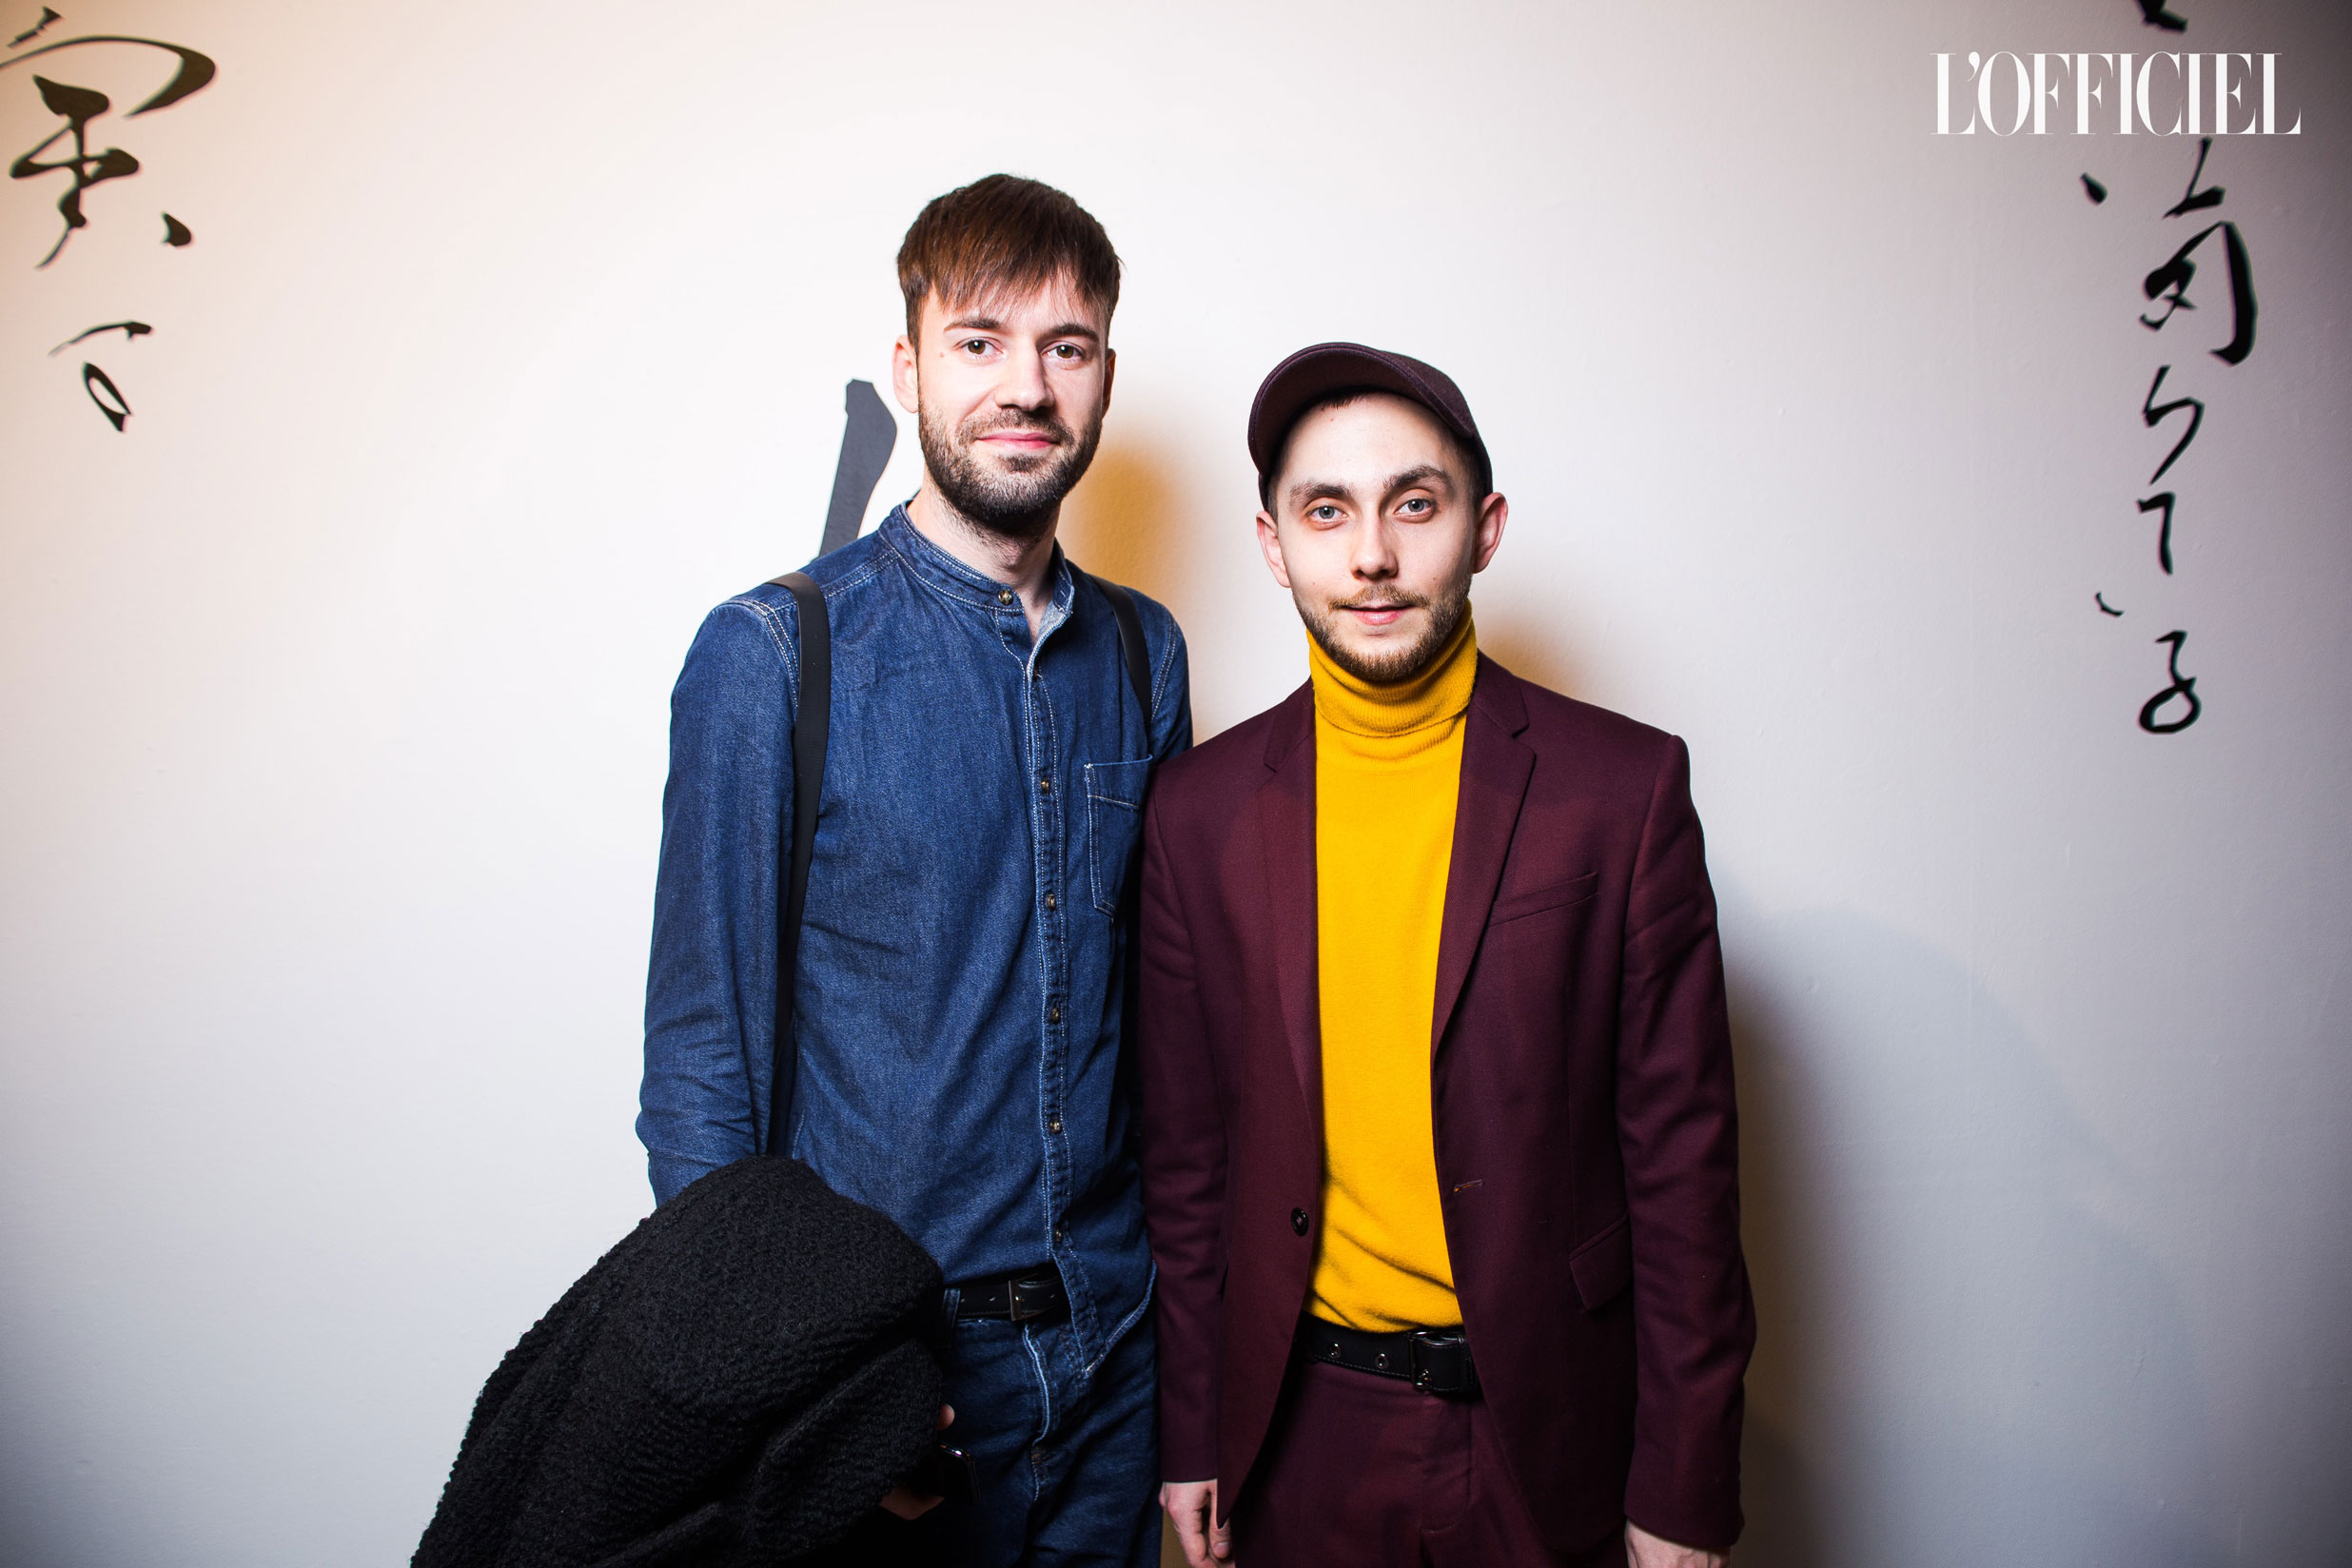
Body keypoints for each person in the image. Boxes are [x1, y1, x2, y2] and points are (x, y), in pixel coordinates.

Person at [637, 174, 1189, 1568]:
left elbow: (1170, 1029)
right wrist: (811, 1401)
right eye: (980, 341)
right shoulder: (775, 654)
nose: (1028, 386)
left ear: (1104, 377)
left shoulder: (1145, 653)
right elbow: (700, 1075)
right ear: (910, 366)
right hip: (895, 1387)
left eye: (1066, 347)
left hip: (1116, 1369)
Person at [1138, 344, 1753, 1568]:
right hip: (1297, 1436)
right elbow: (1189, 1164)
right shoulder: (1197, 813)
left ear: (1485, 529)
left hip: (1547, 1433)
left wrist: (1684, 1484)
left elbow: (1685, 1171)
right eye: (1327, 511)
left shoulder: (1622, 791)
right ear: (1274, 545)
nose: (1372, 554)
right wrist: (1193, 1429)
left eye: (1414, 505)